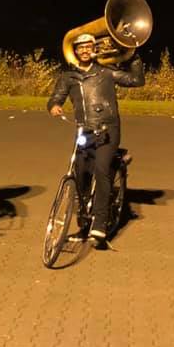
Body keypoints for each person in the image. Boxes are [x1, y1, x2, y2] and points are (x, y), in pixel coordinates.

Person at [46, 33, 144, 244]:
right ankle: (84, 224)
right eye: (80, 47)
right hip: (84, 130)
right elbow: (56, 97)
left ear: (94, 49)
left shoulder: (106, 72)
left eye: (88, 46)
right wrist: (54, 106)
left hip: (108, 129)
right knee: (80, 174)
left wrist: (133, 56)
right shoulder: (68, 77)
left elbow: (136, 80)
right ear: (75, 51)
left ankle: (99, 224)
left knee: (101, 171)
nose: (85, 50)